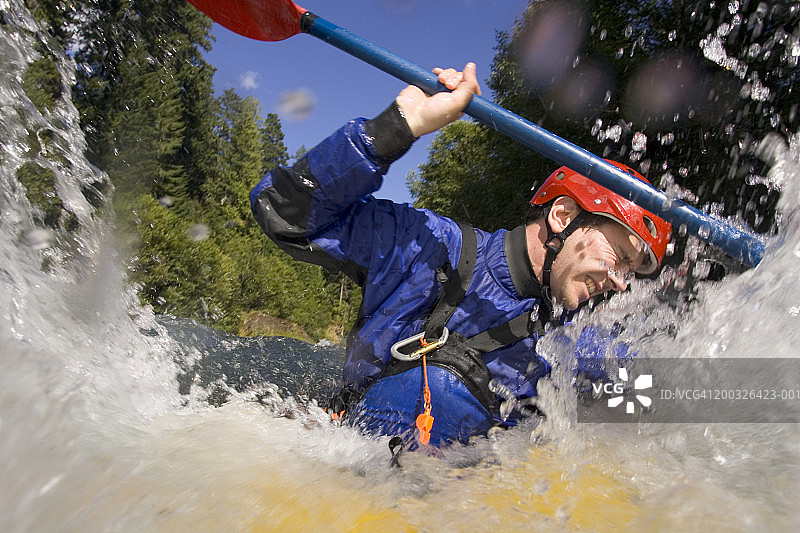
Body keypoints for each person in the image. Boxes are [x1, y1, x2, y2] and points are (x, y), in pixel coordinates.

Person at [250, 62, 671, 449]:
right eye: (619, 255)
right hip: (339, 464)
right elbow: (283, 214)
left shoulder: (575, 344)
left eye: (631, 272)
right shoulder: (425, 245)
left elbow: (678, 401)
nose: (621, 282)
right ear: (562, 216)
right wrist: (395, 129)